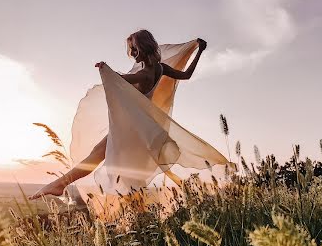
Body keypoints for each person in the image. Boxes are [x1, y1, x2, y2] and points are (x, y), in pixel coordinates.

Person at [29, 30, 230, 200]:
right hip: (140, 125)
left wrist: (105, 70)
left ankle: (59, 185)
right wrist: (200, 51)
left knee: (100, 158)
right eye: (131, 49)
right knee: (112, 163)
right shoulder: (160, 68)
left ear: (146, 47)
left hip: (133, 126)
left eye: (135, 48)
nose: (132, 53)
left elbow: (120, 79)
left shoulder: (144, 73)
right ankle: (62, 185)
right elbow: (186, 75)